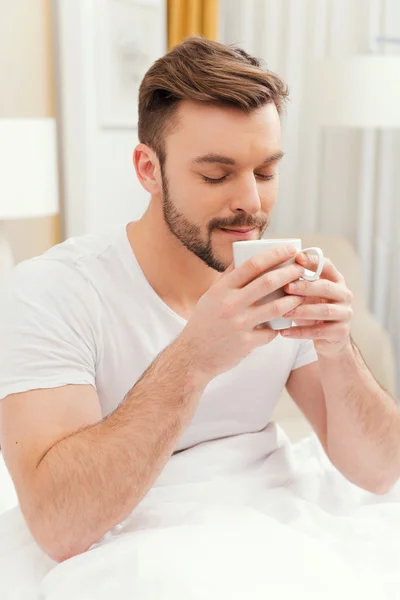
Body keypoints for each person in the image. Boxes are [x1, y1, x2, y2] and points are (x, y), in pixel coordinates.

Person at [0, 37, 398, 564]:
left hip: (281, 530)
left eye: (266, 172)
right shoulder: (52, 293)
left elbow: (378, 472)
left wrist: (337, 346)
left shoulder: (283, 278)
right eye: (216, 175)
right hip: (136, 550)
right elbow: (61, 524)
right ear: (148, 169)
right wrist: (194, 358)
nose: (251, 204)